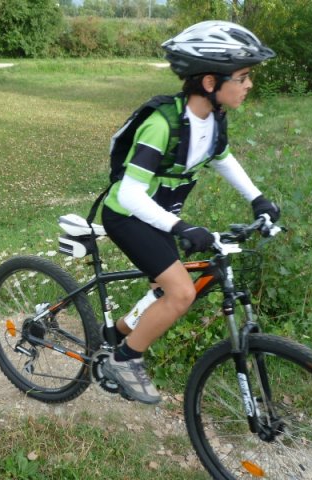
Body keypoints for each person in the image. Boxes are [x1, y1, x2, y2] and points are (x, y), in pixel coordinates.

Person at [100, 20, 281, 404]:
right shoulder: (162, 123)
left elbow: (222, 159)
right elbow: (130, 194)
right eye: (243, 76)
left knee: (166, 289)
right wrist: (181, 226)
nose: (249, 85)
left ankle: (116, 335)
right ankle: (124, 359)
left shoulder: (213, 120)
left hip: (158, 214)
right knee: (181, 293)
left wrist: (258, 198)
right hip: (128, 215)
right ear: (211, 83)